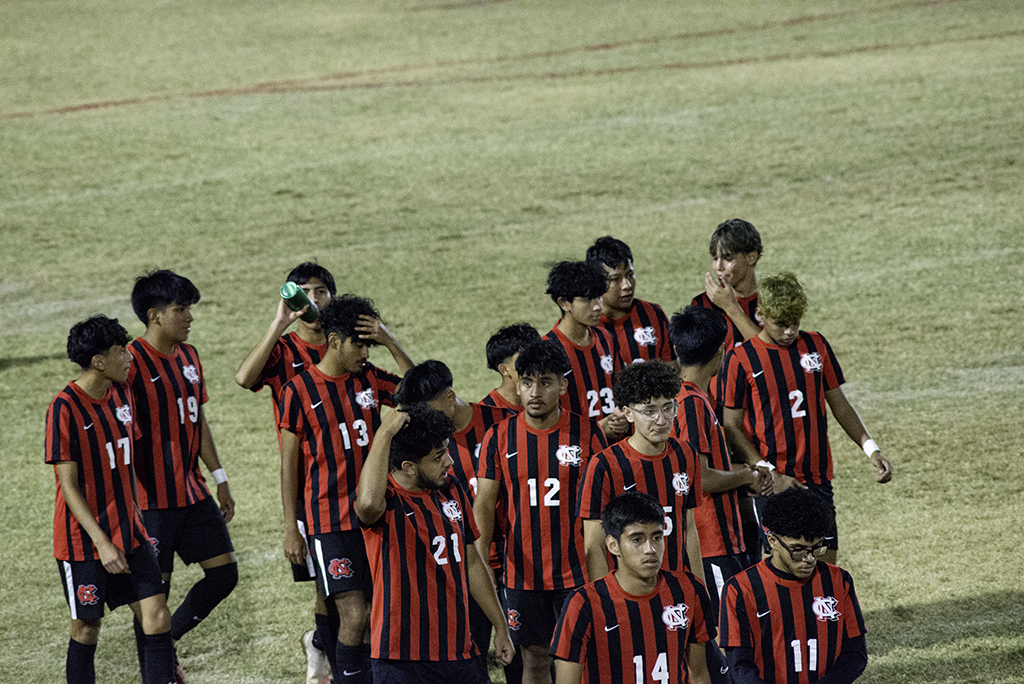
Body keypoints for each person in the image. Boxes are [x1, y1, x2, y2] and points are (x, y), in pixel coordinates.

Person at [278, 294, 414, 684]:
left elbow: (418, 392)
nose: (366, 353)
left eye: (370, 345)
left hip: (375, 516)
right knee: (355, 615)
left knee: (377, 613)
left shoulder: (369, 377)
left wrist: (390, 341)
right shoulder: (299, 391)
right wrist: (291, 527)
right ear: (334, 341)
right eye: (360, 344)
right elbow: (288, 466)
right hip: (329, 522)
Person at [719, 273, 893, 565]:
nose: (789, 331)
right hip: (773, 485)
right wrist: (769, 473)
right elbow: (731, 427)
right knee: (782, 570)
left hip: (817, 481)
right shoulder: (741, 359)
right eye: (781, 324)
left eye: (795, 323)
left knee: (824, 568)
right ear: (760, 314)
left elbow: (840, 406)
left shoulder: (816, 346)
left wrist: (871, 449)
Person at [46, 316, 176, 684]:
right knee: (87, 627)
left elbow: (127, 463)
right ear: (99, 361)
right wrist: (102, 543)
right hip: (83, 543)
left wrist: (136, 517)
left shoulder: (121, 394)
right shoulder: (64, 408)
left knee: (157, 616)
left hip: (130, 534)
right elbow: (68, 486)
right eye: (121, 352)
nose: (129, 358)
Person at [473, 340, 608, 684]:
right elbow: (484, 503)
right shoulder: (498, 437)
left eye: (545, 382)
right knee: (533, 661)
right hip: (523, 576)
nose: (535, 392)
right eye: (527, 382)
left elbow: (602, 508)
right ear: (517, 385)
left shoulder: (588, 434)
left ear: (563, 385)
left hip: (576, 573)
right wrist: (481, 559)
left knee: (581, 661)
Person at [127, 270, 237, 675]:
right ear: (154, 315)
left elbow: (197, 419)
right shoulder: (130, 363)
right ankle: (158, 674)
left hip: (192, 492)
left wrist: (219, 476)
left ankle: (166, 642)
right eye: (180, 309)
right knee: (154, 598)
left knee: (224, 574)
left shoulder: (189, 356)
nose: (189, 317)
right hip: (150, 501)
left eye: (188, 308)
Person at [354, 405, 515, 683]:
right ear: (409, 467)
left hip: (460, 650)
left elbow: (471, 561)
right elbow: (367, 503)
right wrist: (384, 433)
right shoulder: (387, 500)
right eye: (439, 457)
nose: (449, 462)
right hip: (402, 658)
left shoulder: (451, 488)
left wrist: (500, 625)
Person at [233, 261, 337, 684]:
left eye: (321, 291)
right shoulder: (285, 351)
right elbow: (244, 378)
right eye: (305, 292)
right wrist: (278, 325)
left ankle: (323, 645)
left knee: (348, 582)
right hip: (308, 484)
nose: (314, 300)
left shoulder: (344, 345)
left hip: (353, 478)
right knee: (328, 584)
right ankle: (327, 649)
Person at [393, 360, 517, 678]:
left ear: (449, 397)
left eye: (425, 410)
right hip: (464, 568)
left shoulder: (504, 424)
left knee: (525, 658)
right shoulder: (426, 450)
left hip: (517, 564)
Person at [551, 491, 713, 684]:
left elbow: (699, 675)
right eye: (637, 539)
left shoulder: (689, 590)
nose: (650, 549)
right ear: (613, 545)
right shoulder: (583, 604)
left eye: (656, 537)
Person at [669, 306, 772, 605]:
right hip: (711, 541)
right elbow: (699, 478)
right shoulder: (691, 403)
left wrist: (741, 477)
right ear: (721, 352)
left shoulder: (688, 398)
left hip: (717, 540)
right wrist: (746, 475)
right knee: (722, 628)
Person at [719, 487, 868, 683]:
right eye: (798, 550)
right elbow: (739, 666)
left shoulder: (839, 581)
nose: (809, 559)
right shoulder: (740, 589)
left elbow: (856, 654)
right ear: (772, 541)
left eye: (816, 548)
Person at [576, 360, 704, 583]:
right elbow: (594, 546)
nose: (661, 420)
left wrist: (700, 588)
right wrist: (606, 598)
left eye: (668, 408)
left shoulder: (686, 454)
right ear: (628, 413)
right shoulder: (604, 465)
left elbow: (689, 529)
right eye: (649, 411)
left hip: (675, 588)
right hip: (627, 592)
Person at [542, 260, 628, 440]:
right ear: (564, 303)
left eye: (598, 297)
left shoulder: (606, 338)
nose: (597, 306)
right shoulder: (546, 351)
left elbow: (622, 388)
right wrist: (597, 431)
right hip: (572, 450)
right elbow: (543, 420)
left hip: (612, 449)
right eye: (587, 299)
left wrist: (623, 417)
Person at [585, 236, 675, 367]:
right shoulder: (586, 327)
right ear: (596, 282)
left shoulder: (653, 315)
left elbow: (672, 370)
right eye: (615, 279)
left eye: (630, 275)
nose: (626, 285)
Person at [690, 219, 764, 351]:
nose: (718, 266)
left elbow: (772, 355)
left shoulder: (773, 303)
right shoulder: (703, 306)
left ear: (751, 258)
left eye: (728, 258)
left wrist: (730, 307)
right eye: (715, 258)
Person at [481, 323, 542, 411]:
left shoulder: (551, 400)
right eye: (524, 361)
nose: (536, 366)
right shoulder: (486, 412)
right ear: (504, 370)